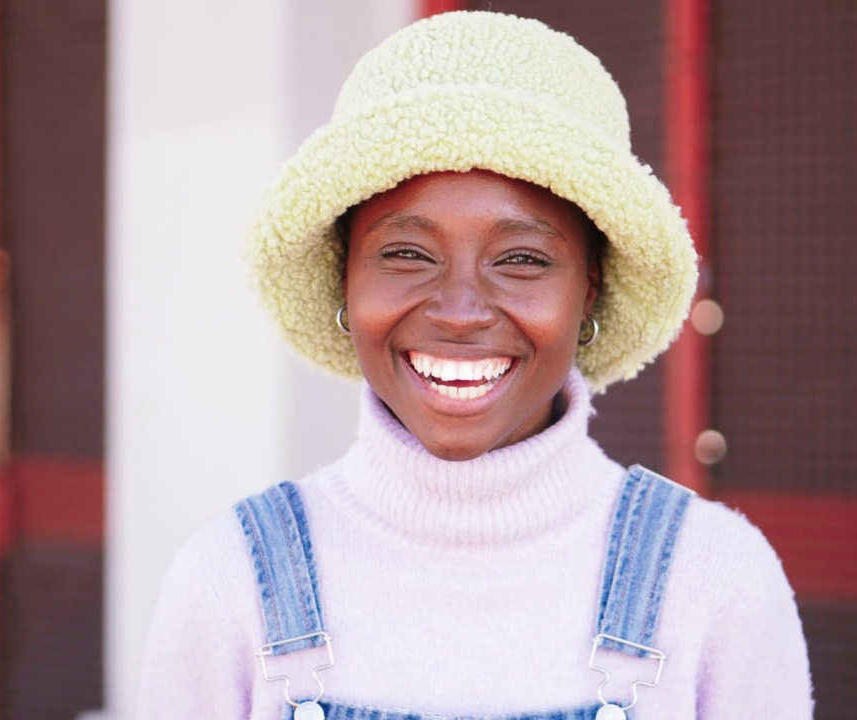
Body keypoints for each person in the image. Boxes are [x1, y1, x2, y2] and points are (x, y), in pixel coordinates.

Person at [138, 11, 812, 720]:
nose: (460, 311)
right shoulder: (230, 582)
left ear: (591, 292)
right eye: (407, 253)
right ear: (344, 281)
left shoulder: (713, 583)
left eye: (521, 259)